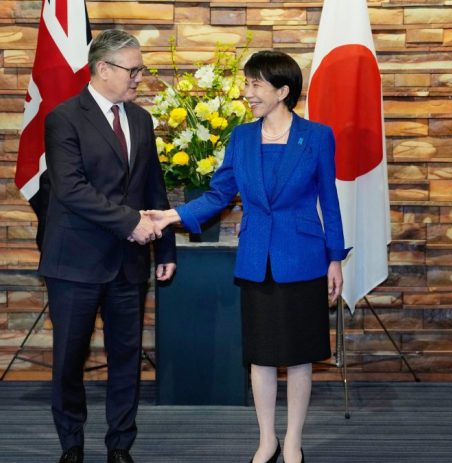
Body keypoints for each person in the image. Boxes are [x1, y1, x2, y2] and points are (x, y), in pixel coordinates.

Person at [147, 50, 349, 463]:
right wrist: (171, 215)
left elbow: (330, 202)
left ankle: (292, 441)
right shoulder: (240, 138)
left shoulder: (317, 136)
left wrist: (335, 259)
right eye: (247, 83)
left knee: (299, 357)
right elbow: (219, 194)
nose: (247, 92)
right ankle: (267, 440)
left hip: (304, 258)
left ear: (283, 91)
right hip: (257, 259)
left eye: (256, 84)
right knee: (260, 355)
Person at [39, 29, 177, 463]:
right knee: (69, 359)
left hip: (129, 263)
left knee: (126, 358)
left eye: (140, 69)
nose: (139, 77)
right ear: (102, 68)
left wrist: (165, 249)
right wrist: (130, 223)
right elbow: (70, 189)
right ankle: (71, 444)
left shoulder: (140, 120)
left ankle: (120, 444)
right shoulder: (63, 118)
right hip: (75, 262)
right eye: (132, 70)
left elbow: (153, 187)